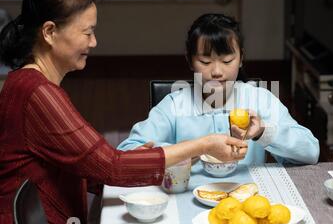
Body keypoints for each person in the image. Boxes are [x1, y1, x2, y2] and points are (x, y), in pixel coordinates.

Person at [0, 0, 247, 224]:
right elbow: (110, 166)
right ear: (49, 32)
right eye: (87, 32)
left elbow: (87, 164)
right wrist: (203, 145)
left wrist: (137, 160)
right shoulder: (37, 93)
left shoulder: (29, 84)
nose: (94, 42)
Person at [118, 13, 319, 166]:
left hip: (246, 199)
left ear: (241, 59)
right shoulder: (174, 105)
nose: (216, 71)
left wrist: (262, 132)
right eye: (205, 61)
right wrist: (195, 149)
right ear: (189, 61)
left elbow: (311, 152)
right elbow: (126, 153)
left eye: (227, 61)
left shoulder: (259, 99)